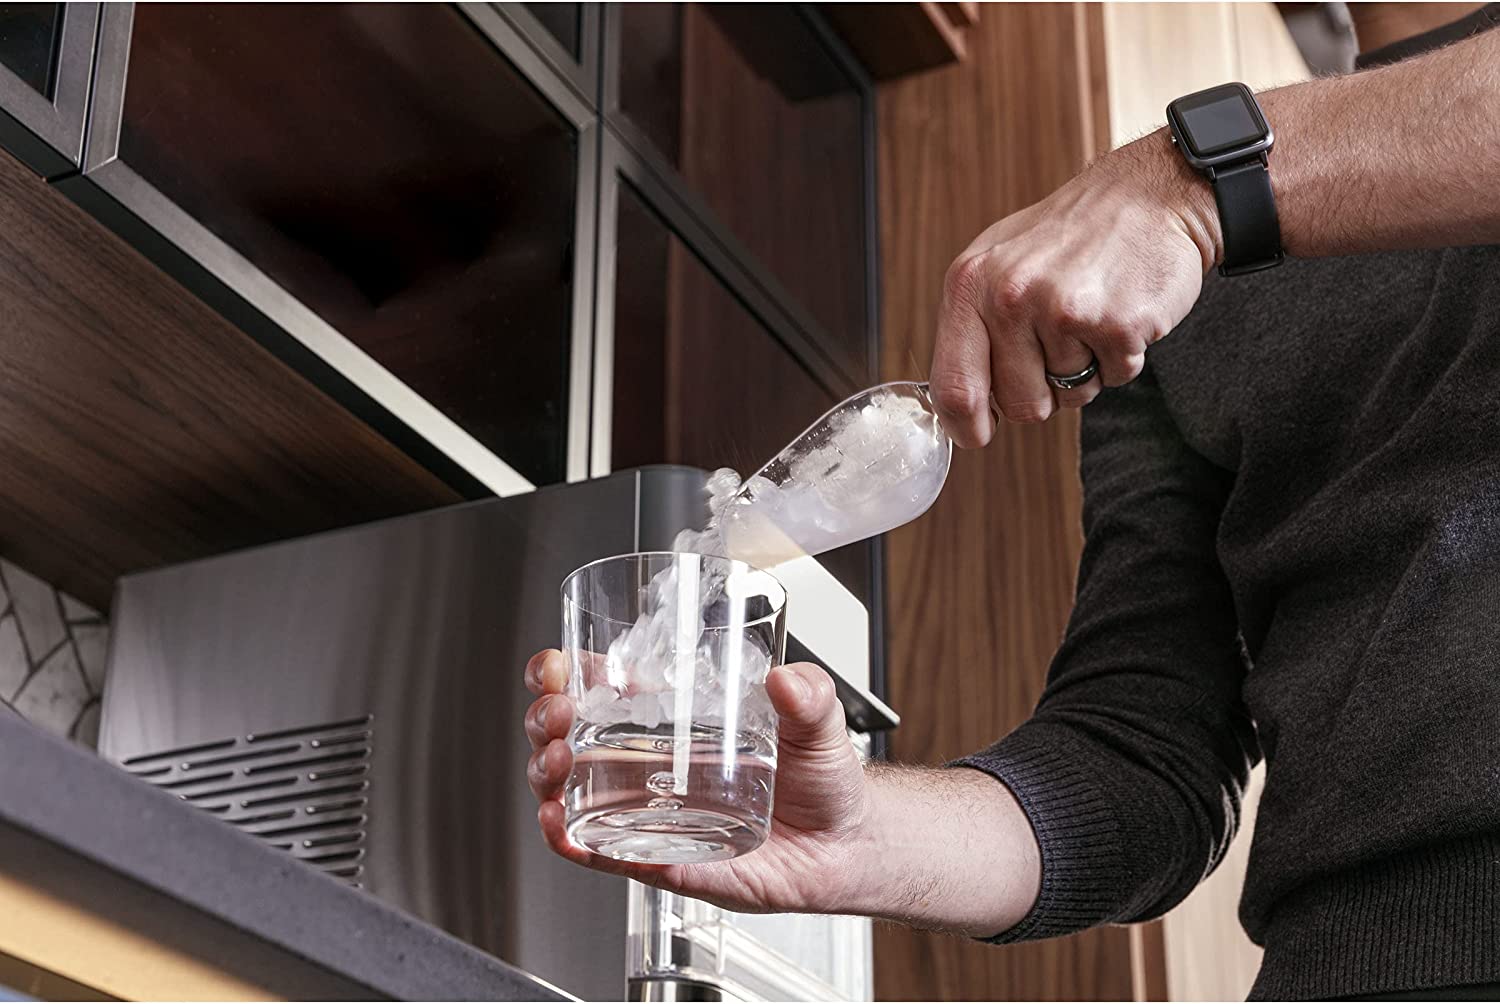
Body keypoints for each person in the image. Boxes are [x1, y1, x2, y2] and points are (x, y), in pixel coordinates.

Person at [522, 4, 1500, 998]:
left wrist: (1201, 180)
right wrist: (857, 832)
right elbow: (1142, 758)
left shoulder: (1184, 205)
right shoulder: (1168, 285)